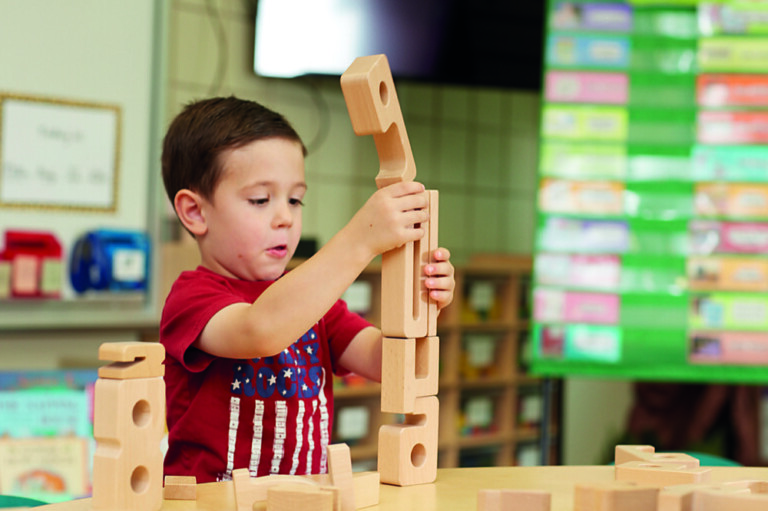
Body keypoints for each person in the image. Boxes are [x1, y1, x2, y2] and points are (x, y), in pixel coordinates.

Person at [159, 96, 455, 483]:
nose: (285, 218)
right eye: (261, 199)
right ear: (195, 212)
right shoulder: (192, 300)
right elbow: (259, 330)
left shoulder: (316, 305)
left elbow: (388, 364)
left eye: (295, 199)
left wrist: (424, 301)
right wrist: (360, 240)